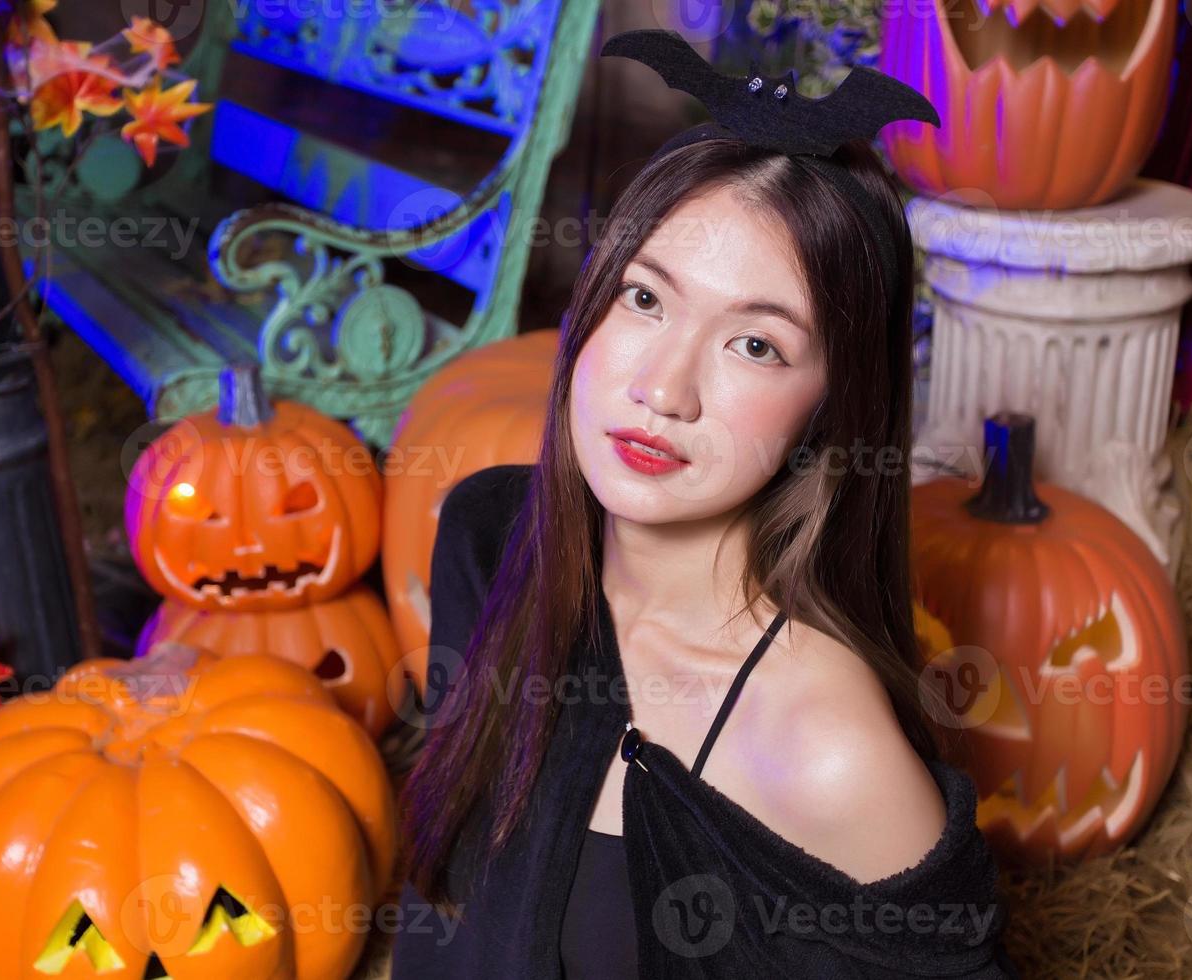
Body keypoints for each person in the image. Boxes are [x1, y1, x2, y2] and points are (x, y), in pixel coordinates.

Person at [389, 30, 1019, 979]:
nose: (664, 387)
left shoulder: (828, 753)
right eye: (646, 298)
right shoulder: (487, 537)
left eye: (756, 345)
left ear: (830, 409)